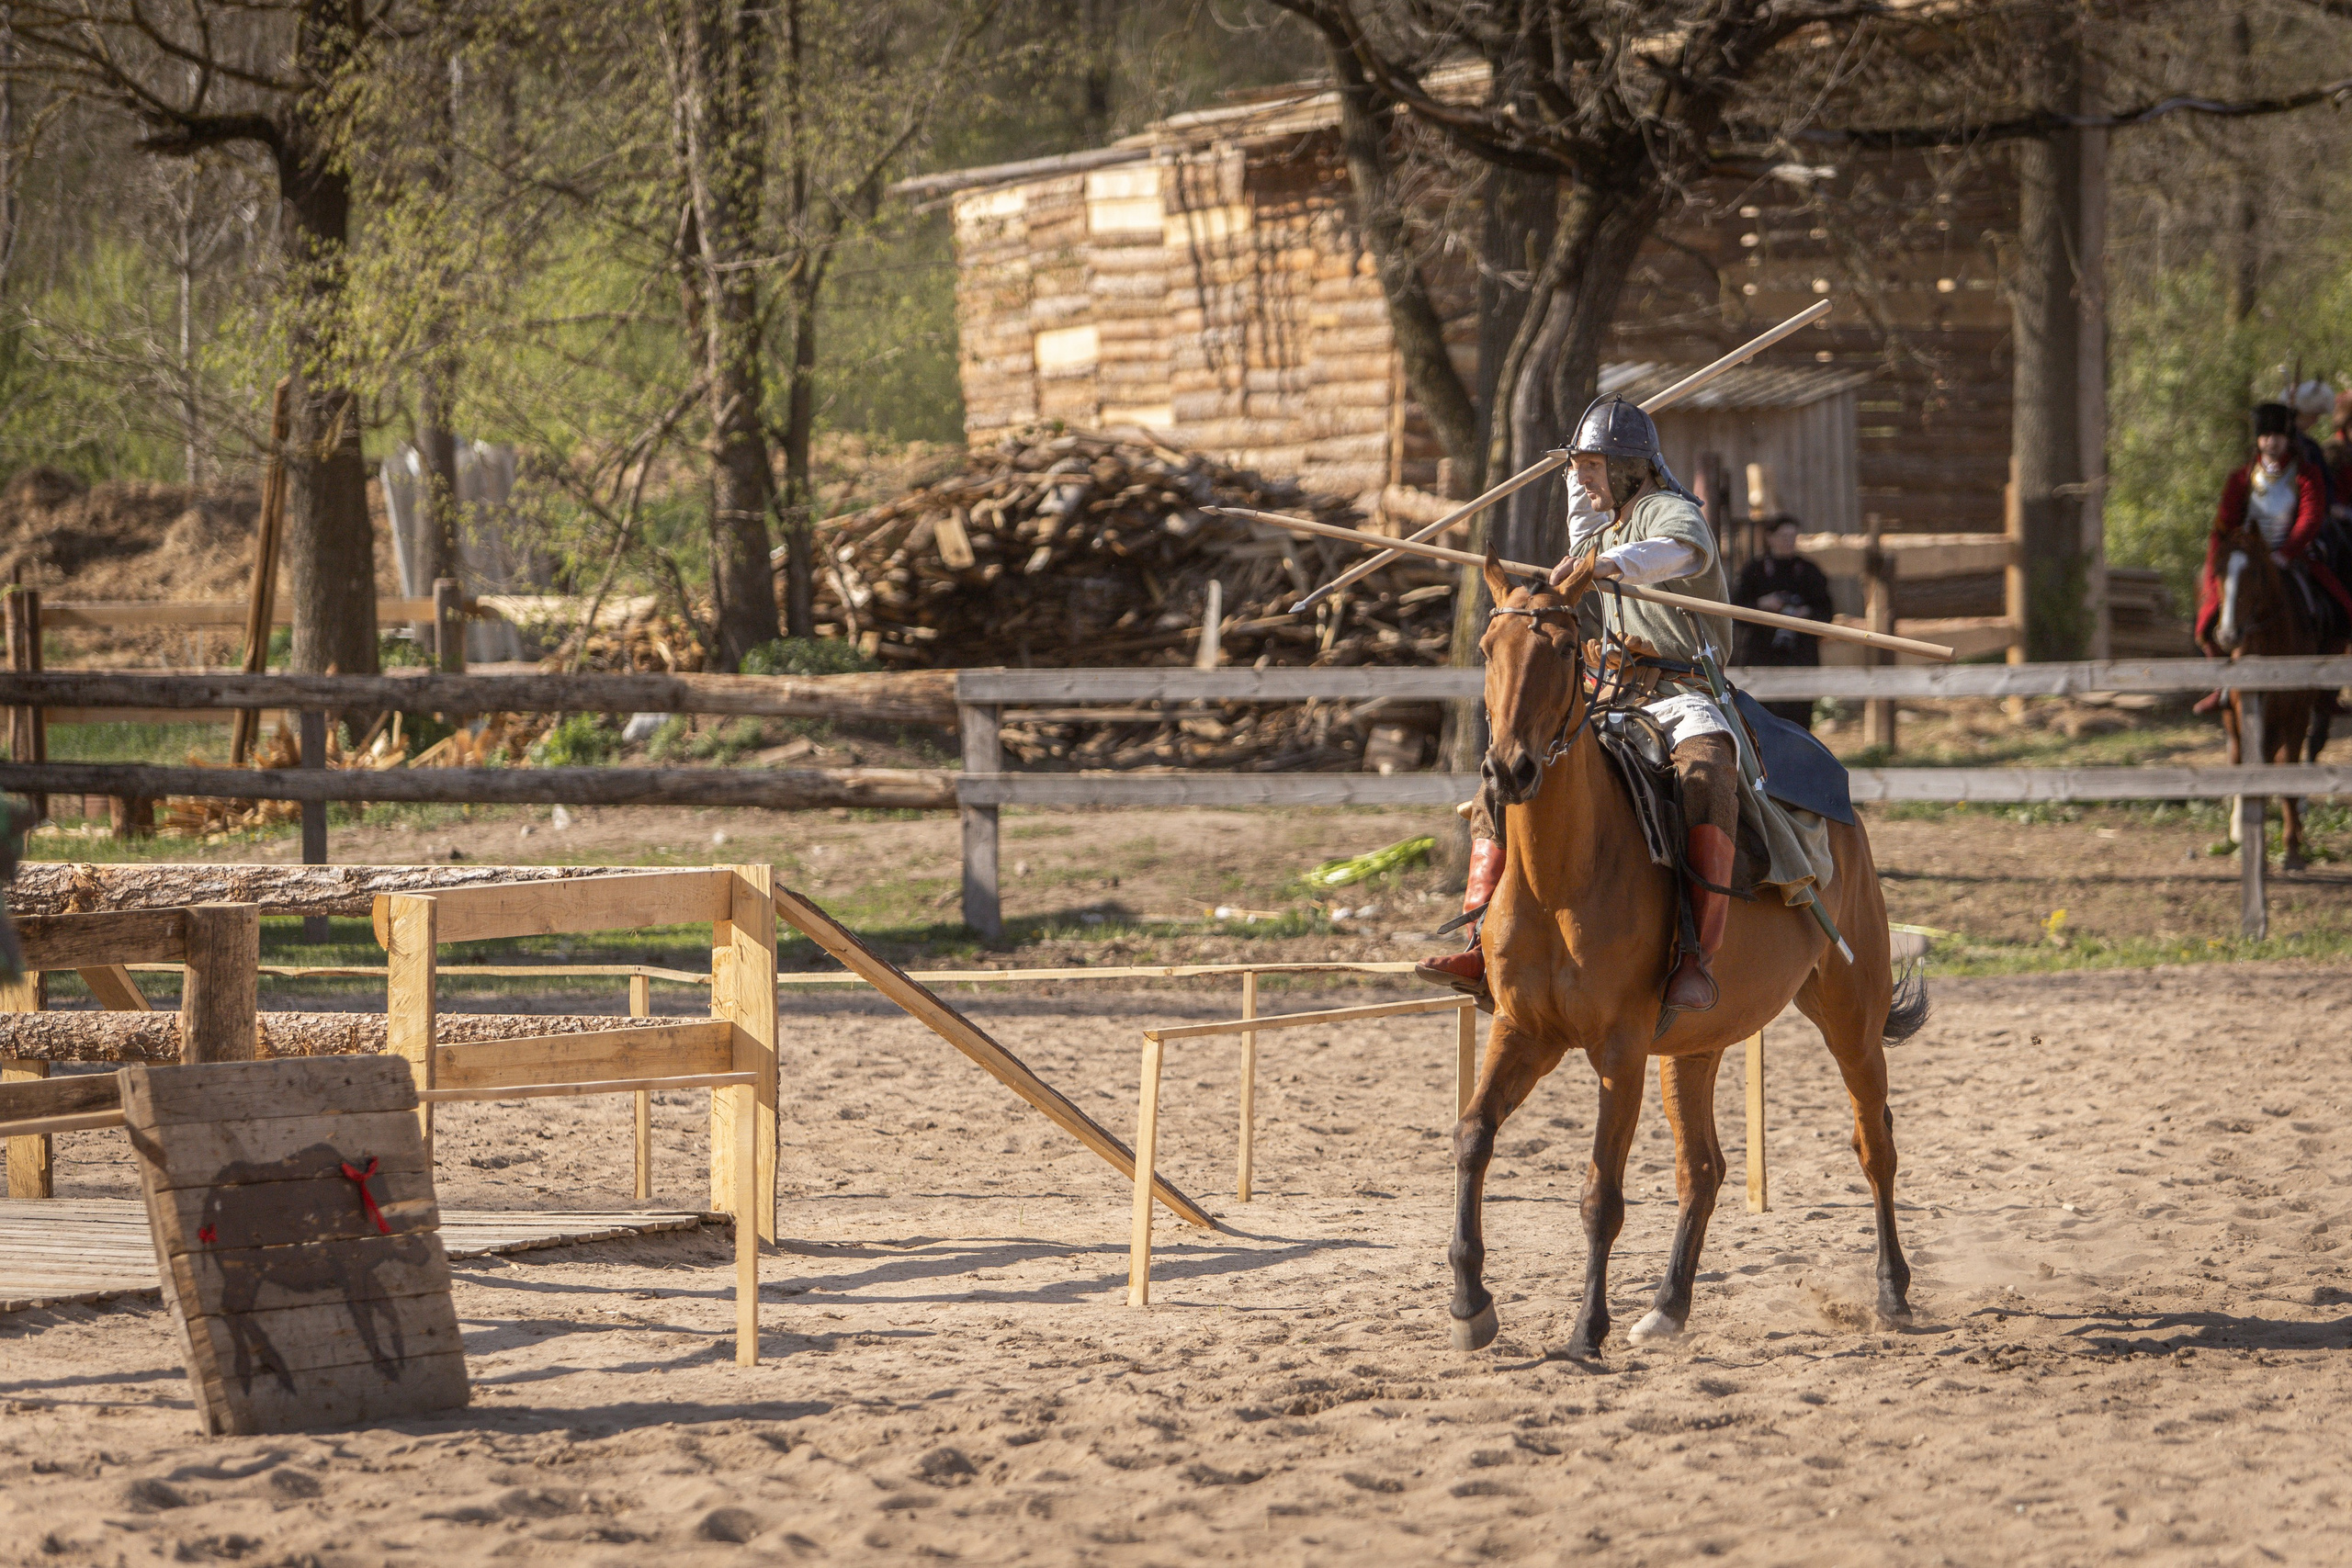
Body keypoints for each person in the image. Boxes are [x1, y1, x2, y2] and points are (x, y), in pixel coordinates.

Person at [1419, 396, 1740, 1013]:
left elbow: (1669, 553)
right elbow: (1583, 527)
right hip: (1611, 696)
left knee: (1707, 773)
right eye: (1583, 470)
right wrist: (1572, 467)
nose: (1586, 480)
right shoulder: (1605, 520)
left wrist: (1603, 566)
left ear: (1629, 468)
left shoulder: (1670, 513)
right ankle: (1476, 941)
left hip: (1682, 693)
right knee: (1510, 766)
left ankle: (1695, 956)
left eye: (1595, 467)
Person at [2195, 401, 2352, 671]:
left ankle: (2326, 691)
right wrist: (2219, 564)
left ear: (2288, 438)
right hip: (2247, 559)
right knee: (2207, 619)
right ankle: (2219, 683)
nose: (2271, 442)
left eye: (2278, 436)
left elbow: (2310, 517)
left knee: (2342, 610)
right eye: (2266, 436)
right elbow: (2225, 525)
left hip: (2292, 557)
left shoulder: (2306, 474)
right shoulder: (2241, 478)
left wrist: (2285, 553)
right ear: (2258, 439)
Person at [1730, 516, 1834, 730]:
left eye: (1793, 536)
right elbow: (1736, 609)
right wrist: (1763, 604)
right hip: (1761, 654)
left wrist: (1805, 613)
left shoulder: (1808, 570)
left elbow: (1826, 611)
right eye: (1783, 536)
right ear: (1770, 537)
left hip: (1799, 655)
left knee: (1799, 718)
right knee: (1759, 718)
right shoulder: (1755, 570)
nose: (1789, 541)